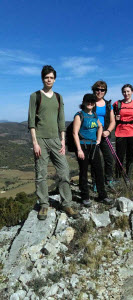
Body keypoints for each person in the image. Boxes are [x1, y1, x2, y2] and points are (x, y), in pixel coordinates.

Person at [28, 65, 78, 220]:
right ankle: (43, 205)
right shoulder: (35, 96)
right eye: (46, 77)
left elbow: (61, 119)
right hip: (41, 140)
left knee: (64, 171)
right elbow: (31, 121)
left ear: (55, 79)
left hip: (56, 139)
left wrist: (63, 140)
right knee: (41, 174)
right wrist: (35, 142)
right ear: (42, 78)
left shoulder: (58, 97)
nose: (49, 80)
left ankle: (66, 203)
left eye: (51, 77)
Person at [73, 93, 113, 207]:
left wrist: (98, 139)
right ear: (84, 103)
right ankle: (85, 197)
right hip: (83, 146)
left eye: (92, 101)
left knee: (99, 171)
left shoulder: (94, 115)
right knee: (84, 171)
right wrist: (79, 149)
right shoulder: (79, 115)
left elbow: (100, 126)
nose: (90, 103)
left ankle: (102, 196)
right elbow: (75, 133)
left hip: (93, 146)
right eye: (88, 101)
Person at [113, 84, 133, 178]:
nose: (126, 93)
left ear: (132, 92)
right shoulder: (117, 104)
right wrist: (115, 117)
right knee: (119, 157)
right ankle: (118, 178)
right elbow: (110, 117)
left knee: (130, 156)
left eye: (128, 91)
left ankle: (128, 177)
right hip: (120, 132)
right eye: (124, 92)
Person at [91, 81, 116, 190]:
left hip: (105, 135)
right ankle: (96, 182)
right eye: (97, 89)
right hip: (92, 135)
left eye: (102, 90)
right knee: (94, 160)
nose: (100, 92)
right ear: (94, 90)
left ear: (105, 91)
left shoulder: (108, 105)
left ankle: (108, 179)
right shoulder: (90, 102)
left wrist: (108, 131)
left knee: (109, 158)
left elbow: (112, 121)